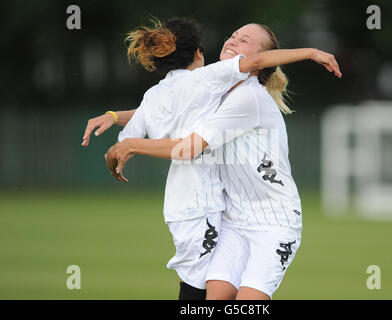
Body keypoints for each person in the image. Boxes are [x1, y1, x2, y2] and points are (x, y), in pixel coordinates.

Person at [84, 19, 341, 299]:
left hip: (274, 223)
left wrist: (133, 145)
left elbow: (187, 148)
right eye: (233, 34)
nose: (233, 40)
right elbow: (163, 107)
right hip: (233, 220)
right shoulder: (215, 86)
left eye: (244, 40)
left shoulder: (246, 98)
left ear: (257, 59)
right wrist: (113, 117)